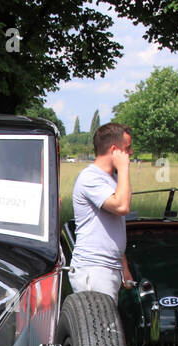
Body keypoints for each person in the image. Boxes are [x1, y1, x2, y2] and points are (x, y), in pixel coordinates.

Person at [68, 122, 134, 302]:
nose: (131, 153)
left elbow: (113, 228)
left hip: (109, 267)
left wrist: (123, 266)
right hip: (93, 268)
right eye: (127, 148)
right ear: (114, 150)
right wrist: (124, 168)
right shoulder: (90, 178)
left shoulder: (111, 179)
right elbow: (122, 207)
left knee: (108, 328)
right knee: (99, 329)